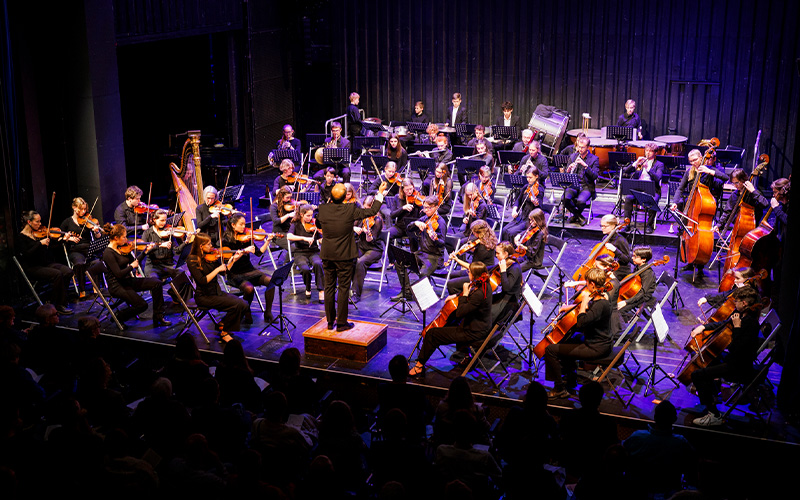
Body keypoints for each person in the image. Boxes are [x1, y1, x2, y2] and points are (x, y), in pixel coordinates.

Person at [317, 181, 388, 331]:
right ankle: (341, 323)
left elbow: (318, 223)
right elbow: (372, 210)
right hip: (344, 255)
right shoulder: (349, 209)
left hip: (327, 254)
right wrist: (380, 193)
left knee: (329, 287)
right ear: (344, 198)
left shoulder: (322, 209)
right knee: (343, 288)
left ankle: (330, 322)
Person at [690, 286, 763, 427]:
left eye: (737, 301)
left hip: (740, 366)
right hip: (734, 360)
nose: (734, 303)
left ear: (744, 303)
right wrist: (704, 327)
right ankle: (713, 396)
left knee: (697, 375)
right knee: (706, 361)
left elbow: (737, 349)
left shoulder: (750, 323)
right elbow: (724, 323)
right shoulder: (740, 314)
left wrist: (736, 328)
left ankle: (715, 415)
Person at [409, 263, 492, 377]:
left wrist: (464, 295)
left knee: (432, 334)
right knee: (451, 322)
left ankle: (419, 365)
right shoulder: (484, 284)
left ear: (474, 275)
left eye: (469, 272)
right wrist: (457, 295)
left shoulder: (479, 293)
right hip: (477, 325)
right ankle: (466, 356)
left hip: (473, 332)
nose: (468, 273)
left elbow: (460, 312)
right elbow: (471, 293)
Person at [544, 267, 613, 399]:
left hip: (596, 347)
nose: (586, 286)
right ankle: (571, 379)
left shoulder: (600, 304)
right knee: (569, 340)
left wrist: (583, 303)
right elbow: (591, 309)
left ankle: (559, 389)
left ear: (592, 284)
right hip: (601, 341)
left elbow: (582, 322)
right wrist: (568, 308)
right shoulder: (604, 295)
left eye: (587, 283)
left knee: (551, 350)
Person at [101, 223, 170, 328]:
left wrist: (145, 252)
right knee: (142, 305)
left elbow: (135, 262)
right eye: (124, 237)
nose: (126, 239)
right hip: (117, 285)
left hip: (127, 281)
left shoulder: (122, 248)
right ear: (116, 238)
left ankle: (158, 316)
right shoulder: (108, 253)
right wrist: (131, 267)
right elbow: (118, 274)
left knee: (156, 283)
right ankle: (119, 316)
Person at [623, 400, 697, 498]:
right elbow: (693, 465)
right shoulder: (681, 442)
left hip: (637, 490)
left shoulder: (638, 437)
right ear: (674, 419)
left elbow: (622, 453)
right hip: (669, 492)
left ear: (654, 417)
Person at [670, 149, 728, 271]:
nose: (693, 163)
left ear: (701, 157)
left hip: (703, 205)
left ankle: (700, 264)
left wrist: (710, 171)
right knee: (687, 232)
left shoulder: (708, 169)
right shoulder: (689, 172)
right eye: (691, 161)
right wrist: (675, 202)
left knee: (700, 235)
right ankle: (690, 261)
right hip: (691, 205)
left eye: (695, 160)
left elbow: (725, 177)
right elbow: (680, 189)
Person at [185, 232, 249, 344]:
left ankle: (223, 323)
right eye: (209, 244)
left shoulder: (212, 256)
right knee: (237, 304)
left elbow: (224, 271)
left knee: (244, 304)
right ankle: (225, 333)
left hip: (216, 292)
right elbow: (202, 280)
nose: (212, 246)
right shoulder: (192, 260)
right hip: (204, 296)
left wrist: (233, 260)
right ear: (201, 246)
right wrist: (217, 270)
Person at [221, 212, 277, 324]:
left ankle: (268, 312)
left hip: (249, 270)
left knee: (271, 281)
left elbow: (259, 253)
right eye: (241, 224)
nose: (244, 227)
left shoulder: (247, 238)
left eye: (244, 224)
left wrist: (267, 241)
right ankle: (246, 311)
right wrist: (242, 252)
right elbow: (227, 264)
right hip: (235, 274)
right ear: (233, 225)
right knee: (249, 289)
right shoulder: (225, 240)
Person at [16, 210, 74, 314]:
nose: (40, 224)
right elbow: (27, 254)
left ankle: (58, 300)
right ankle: (55, 304)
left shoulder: (39, 234)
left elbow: (52, 246)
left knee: (68, 271)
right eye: (37, 222)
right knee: (57, 274)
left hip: (45, 264)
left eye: (40, 221)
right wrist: (39, 244)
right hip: (32, 267)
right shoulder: (21, 237)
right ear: (29, 222)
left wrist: (64, 239)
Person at [393, 196, 446, 301]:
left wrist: (434, 238)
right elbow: (409, 228)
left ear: (436, 207)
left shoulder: (441, 222)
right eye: (425, 207)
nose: (426, 210)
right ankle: (406, 292)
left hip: (434, 257)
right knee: (399, 262)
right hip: (422, 253)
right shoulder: (425, 218)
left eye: (429, 208)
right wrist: (415, 223)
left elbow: (442, 243)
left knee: (423, 273)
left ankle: (424, 298)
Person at [59, 197, 105, 299]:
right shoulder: (67, 222)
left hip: (89, 248)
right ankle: (82, 290)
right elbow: (59, 238)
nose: (84, 212)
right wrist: (68, 239)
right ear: (74, 208)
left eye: (85, 209)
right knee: (79, 264)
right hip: (75, 250)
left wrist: (96, 231)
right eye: (81, 209)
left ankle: (96, 289)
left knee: (96, 262)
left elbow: (98, 236)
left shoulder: (88, 220)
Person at [142, 209, 191, 301]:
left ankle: (176, 296)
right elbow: (145, 250)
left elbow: (176, 250)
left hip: (168, 264)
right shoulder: (147, 233)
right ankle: (159, 310)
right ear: (154, 220)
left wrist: (186, 241)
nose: (163, 223)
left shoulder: (169, 233)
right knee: (155, 282)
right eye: (161, 220)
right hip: (153, 266)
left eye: (165, 220)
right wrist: (160, 245)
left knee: (185, 276)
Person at [446, 219, 497, 296]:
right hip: (480, 269)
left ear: (479, 233)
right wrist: (473, 250)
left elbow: (471, 267)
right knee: (452, 275)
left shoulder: (482, 248)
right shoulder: (488, 239)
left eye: (473, 232)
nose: (472, 234)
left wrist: (457, 259)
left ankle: (463, 298)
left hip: (480, 275)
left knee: (451, 284)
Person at [713, 167, 769, 238]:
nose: (735, 186)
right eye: (733, 183)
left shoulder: (753, 193)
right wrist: (718, 225)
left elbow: (765, 204)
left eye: (737, 183)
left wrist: (753, 191)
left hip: (752, 230)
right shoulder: (734, 195)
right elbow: (727, 212)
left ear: (743, 180)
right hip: (738, 229)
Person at [622, 142, 664, 233]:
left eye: (651, 151)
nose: (648, 153)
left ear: (655, 153)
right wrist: (635, 163)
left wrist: (648, 168)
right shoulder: (640, 162)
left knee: (654, 200)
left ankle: (649, 225)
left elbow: (657, 178)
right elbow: (625, 171)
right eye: (646, 150)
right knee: (628, 198)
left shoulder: (659, 165)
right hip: (638, 188)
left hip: (653, 190)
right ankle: (627, 224)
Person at [287, 204, 325, 303]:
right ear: (301, 214)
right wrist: (304, 238)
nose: (310, 218)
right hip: (300, 252)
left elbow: (320, 239)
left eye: (311, 215)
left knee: (318, 264)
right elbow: (289, 236)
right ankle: (308, 287)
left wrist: (324, 239)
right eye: (307, 215)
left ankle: (321, 290)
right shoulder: (295, 224)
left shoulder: (315, 225)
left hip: (314, 251)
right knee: (305, 269)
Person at [351, 195, 384, 304]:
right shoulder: (361, 216)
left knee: (361, 262)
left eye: (368, 209)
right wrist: (354, 228)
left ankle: (356, 293)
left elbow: (372, 240)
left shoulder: (377, 220)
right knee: (350, 259)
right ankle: (350, 287)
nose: (366, 212)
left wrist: (368, 236)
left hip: (374, 249)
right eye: (364, 208)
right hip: (361, 246)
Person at [561, 135, 600, 226]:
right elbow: (567, 176)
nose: (580, 149)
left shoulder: (594, 159)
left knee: (581, 201)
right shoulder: (573, 157)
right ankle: (578, 216)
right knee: (564, 198)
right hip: (574, 185)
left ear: (587, 147)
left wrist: (585, 165)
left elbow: (595, 176)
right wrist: (568, 170)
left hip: (586, 186)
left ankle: (575, 216)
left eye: (582, 147)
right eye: (579, 147)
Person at [617, 246, 656, 316]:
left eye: (635, 256)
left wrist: (626, 302)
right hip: (635, 295)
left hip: (642, 298)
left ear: (643, 259)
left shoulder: (648, 273)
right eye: (632, 255)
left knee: (618, 310)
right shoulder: (638, 267)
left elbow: (642, 293)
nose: (632, 258)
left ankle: (628, 326)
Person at [490, 241, 523, 323]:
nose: (496, 255)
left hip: (508, 303)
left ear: (505, 254)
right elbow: (488, 268)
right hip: (503, 297)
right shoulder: (506, 263)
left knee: (484, 311)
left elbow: (506, 288)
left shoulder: (514, 268)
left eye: (498, 253)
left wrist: (503, 271)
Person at [388, 178, 423, 245]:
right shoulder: (397, 198)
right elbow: (392, 215)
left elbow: (423, 213)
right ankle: (392, 254)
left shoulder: (417, 197)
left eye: (411, 189)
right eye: (407, 190)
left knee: (414, 237)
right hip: (400, 227)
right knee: (387, 234)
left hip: (413, 228)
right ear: (402, 189)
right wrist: (403, 208)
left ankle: (413, 254)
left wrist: (422, 206)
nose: (410, 191)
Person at [514, 208, 549, 273]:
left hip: (534, 260)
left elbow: (532, 252)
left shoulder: (540, 233)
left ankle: (519, 282)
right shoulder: (534, 227)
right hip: (526, 256)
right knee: (511, 263)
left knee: (515, 270)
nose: (530, 222)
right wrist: (519, 235)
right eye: (530, 220)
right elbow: (527, 232)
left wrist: (522, 246)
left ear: (539, 220)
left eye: (532, 220)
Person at [598, 214, 632, 282]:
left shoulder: (621, 240)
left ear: (613, 226)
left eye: (605, 226)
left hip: (620, 270)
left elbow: (627, 259)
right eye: (601, 226)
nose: (602, 228)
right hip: (610, 267)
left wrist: (615, 250)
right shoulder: (605, 238)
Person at [269, 186, 296, 253]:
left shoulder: (288, 205)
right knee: (294, 248)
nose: (289, 199)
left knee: (302, 244)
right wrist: (288, 215)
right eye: (287, 197)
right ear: (281, 196)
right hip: (279, 235)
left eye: (290, 197)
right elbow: (276, 221)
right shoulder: (274, 206)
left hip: (289, 232)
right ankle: (287, 263)